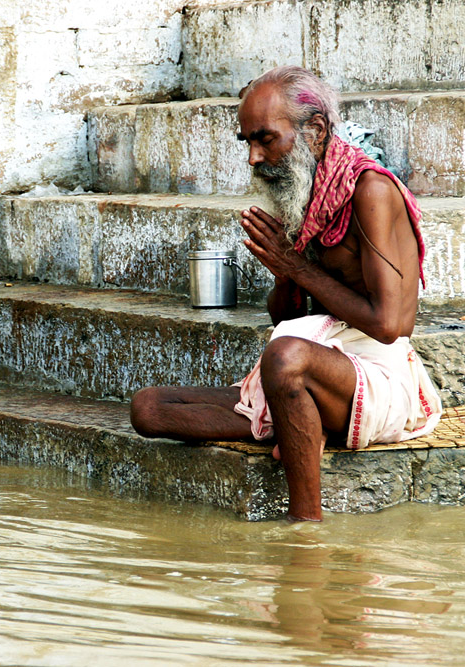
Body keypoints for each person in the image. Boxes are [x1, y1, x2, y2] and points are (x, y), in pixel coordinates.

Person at [130, 66, 442, 521]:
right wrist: (283, 275)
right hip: (319, 368)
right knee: (149, 408)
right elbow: (285, 318)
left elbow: (391, 325)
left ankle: (304, 527)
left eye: (265, 139)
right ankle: (301, 425)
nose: (254, 157)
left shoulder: (369, 190)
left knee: (285, 358)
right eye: (247, 143)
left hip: (382, 379)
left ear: (314, 129)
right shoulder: (307, 193)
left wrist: (294, 264)